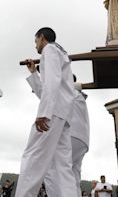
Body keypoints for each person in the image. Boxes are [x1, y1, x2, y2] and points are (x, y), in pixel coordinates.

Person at [16, 27, 78, 197]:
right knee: (60, 166)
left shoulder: (49, 50)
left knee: (33, 157)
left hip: (52, 113)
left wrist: (43, 113)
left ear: (41, 37)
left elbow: (52, 82)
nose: (35, 45)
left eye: (36, 41)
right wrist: (34, 73)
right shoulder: (60, 53)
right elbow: (47, 89)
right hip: (62, 114)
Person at [27, 60, 90, 197]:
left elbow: (46, 94)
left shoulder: (67, 91)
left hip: (70, 134)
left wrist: (34, 73)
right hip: (82, 139)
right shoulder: (77, 94)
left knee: (52, 169)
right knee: (72, 175)